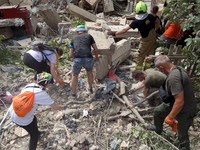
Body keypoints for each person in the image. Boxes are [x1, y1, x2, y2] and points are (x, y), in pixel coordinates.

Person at [9, 72, 67, 150]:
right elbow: (56, 107)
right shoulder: (41, 93)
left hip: (13, 110)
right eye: (50, 83)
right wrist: (64, 107)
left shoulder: (29, 85)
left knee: (34, 119)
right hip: (21, 118)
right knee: (34, 136)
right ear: (46, 84)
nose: (50, 85)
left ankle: (38, 133)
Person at [153, 55, 198, 149]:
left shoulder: (173, 78)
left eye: (159, 69)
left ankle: (184, 147)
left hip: (185, 109)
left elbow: (180, 102)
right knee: (158, 112)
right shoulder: (178, 68)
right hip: (174, 102)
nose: (159, 71)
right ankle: (158, 131)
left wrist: (170, 117)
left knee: (182, 134)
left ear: (161, 67)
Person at [107, 1, 160, 70]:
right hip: (153, 37)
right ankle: (147, 70)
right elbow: (158, 21)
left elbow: (124, 30)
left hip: (146, 39)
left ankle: (138, 72)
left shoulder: (137, 21)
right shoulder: (150, 16)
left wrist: (114, 33)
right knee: (149, 54)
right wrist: (156, 29)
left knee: (140, 55)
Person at [69, 25, 99, 98]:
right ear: (85, 31)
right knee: (89, 73)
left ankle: (73, 93)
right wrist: (96, 56)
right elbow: (96, 49)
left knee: (75, 75)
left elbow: (70, 54)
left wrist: (75, 59)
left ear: (77, 32)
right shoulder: (89, 36)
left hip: (77, 59)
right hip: (88, 58)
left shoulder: (73, 39)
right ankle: (90, 89)